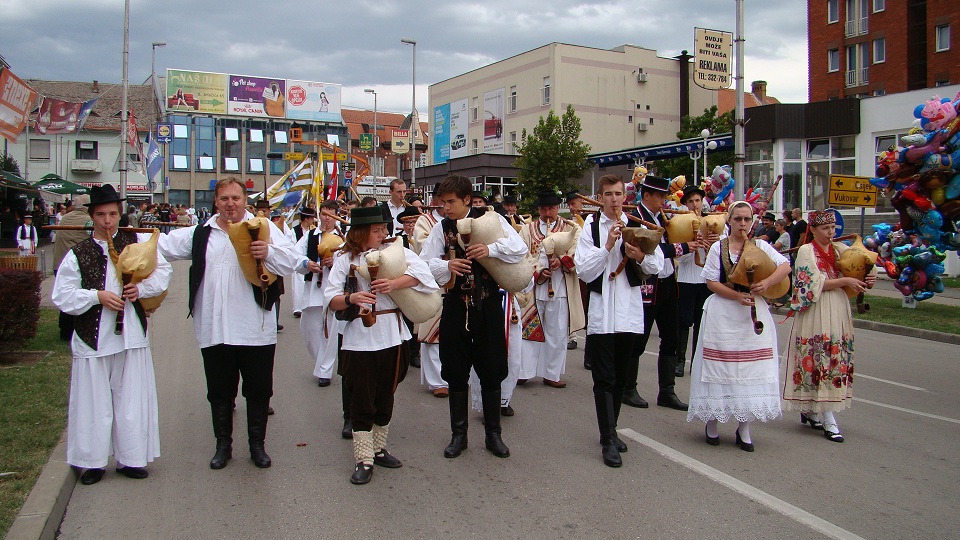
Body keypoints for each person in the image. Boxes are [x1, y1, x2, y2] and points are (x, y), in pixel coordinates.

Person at [158, 178, 300, 470]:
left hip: (255, 327)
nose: (230, 204)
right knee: (219, 391)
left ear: (245, 200)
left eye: (236, 198)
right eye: (224, 198)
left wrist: (268, 252)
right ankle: (223, 445)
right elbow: (158, 247)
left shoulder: (263, 228)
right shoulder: (201, 233)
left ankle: (257, 445)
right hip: (215, 327)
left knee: (258, 390)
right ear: (216, 201)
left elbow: (293, 261)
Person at [51, 184, 172, 485]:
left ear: (120, 215)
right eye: (101, 215)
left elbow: (163, 272)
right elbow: (62, 295)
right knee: (93, 402)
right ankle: (92, 462)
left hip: (130, 335)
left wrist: (140, 289)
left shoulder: (136, 243)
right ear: (92, 216)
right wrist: (97, 296)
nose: (108, 221)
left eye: (113, 214)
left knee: (131, 398)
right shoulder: (79, 253)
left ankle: (131, 458)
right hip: (93, 338)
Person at [324, 206, 438, 484]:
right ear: (360, 233)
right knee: (362, 397)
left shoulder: (395, 251)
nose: (383, 234)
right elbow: (331, 298)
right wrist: (351, 299)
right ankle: (363, 458)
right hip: (359, 338)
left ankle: (379, 448)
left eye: (383, 229)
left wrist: (394, 283)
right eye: (376, 230)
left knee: (386, 393)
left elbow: (423, 274)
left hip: (392, 334)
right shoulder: (344, 259)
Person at [420, 175, 527, 459]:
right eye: (442, 202)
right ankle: (459, 435)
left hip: (488, 305)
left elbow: (520, 248)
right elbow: (423, 264)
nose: (445, 208)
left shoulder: (490, 219)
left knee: (492, 368)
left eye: (451, 202)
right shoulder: (442, 228)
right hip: (455, 306)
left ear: (467, 199)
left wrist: (491, 249)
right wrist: (447, 265)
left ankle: (493, 435)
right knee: (455, 370)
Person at [686, 201, 791, 452]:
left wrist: (767, 283)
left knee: (749, 370)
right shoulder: (718, 247)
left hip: (752, 314)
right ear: (730, 221)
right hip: (723, 312)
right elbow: (711, 282)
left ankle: (744, 426)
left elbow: (785, 266)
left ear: (751, 221)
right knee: (719, 367)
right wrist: (736, 296)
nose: (742, 224)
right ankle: (713, 420)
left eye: (746, 219)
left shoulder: (760, 246)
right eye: (737, 219)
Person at [575, 174, 663, 467]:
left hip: (629, 312)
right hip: (602, 313)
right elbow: (584, 270)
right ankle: (608, 439)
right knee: (604, 378)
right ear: (600, 198)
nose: (614, 199)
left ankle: (611, 429)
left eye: (618, 194)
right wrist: (608, 247)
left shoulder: (637, 224)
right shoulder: (591, 227)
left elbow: (658, 267)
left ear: (625, 197)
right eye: (608, 194)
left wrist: (640, 256)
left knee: (621, 378)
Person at [782, 209, 875, 443]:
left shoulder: (839, 249)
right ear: (813, 230)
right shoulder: (806, 251)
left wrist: (868, 276)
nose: (831, 232)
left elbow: (860, 265)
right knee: (819, 355)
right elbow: (811, 284)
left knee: (834, 356)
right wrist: (844, 280)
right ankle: (826, 415)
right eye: (825, 228)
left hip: (838, 307)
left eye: (833, 228)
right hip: (817, 308)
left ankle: (813, 410)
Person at [624, 175, 697, 411]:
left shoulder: (662, 218)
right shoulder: (636, 218)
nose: (664, 201)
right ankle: (628, 388)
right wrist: (683, 247)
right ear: (646, 196)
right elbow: (650, 249)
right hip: (646, 285)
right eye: (660, 196)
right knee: (639, 338)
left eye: (665, 196)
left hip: (667, 283)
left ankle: (667, 391)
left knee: (671, 338)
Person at [518, 189, 584, 388]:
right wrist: (538, 270)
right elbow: (521, 254)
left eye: (552, 208)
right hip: (534, 288)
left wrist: (562, 261)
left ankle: (551, 373)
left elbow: (579, 251)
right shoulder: (527, 230)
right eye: (544, 209)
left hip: (561, 287)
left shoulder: (571, 228)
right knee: (529, 329)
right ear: (539, 209)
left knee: (557, 332)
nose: (548, 213)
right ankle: (525, 371)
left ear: (557, 208)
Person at [296, 201, 343, 389]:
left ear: (337, 216)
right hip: (313, 289)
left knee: (329, 331)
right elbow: (295, 256)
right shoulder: (310, 236)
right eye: (324, 214)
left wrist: (335, 262)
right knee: (309, 329)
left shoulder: (343, 237)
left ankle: (325, 370)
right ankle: (320, 362)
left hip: (333, 290)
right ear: (319, 215)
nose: (327, 218)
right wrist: (307, 263)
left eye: (331, 215)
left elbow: (351, 260)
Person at [674, 184, 717, 378]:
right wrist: (691, 245)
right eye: (690, 201)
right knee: (683, 322)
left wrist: (713, 243)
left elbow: (722, 254)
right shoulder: (680, 223)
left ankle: (697, 361)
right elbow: (678, 257)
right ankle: (679, 360)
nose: (695, 205)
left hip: (706, 281)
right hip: (686, 279)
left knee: (702, 322)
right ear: (685, 204)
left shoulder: (712, 222)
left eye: (697, 200)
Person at [411, 185, 449, 398]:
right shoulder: (424, 221)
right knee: (433, 331)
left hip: (457, 282)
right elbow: (422, 248)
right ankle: (437, 381)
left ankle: (454, 376)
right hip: (433, 283)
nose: (446, 205)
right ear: (435, 200)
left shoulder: (460, 219)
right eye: (443, 200)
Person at [291, 208, 317, 318]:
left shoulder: (314, 231)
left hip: (311, 261)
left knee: (309, 284)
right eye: (311, 218)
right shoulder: (294, 231)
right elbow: (291, 247)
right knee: (298, 285)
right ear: (306, 219)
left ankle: (307, 305)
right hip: (299, 260)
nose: (313, 220)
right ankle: (297, 308)